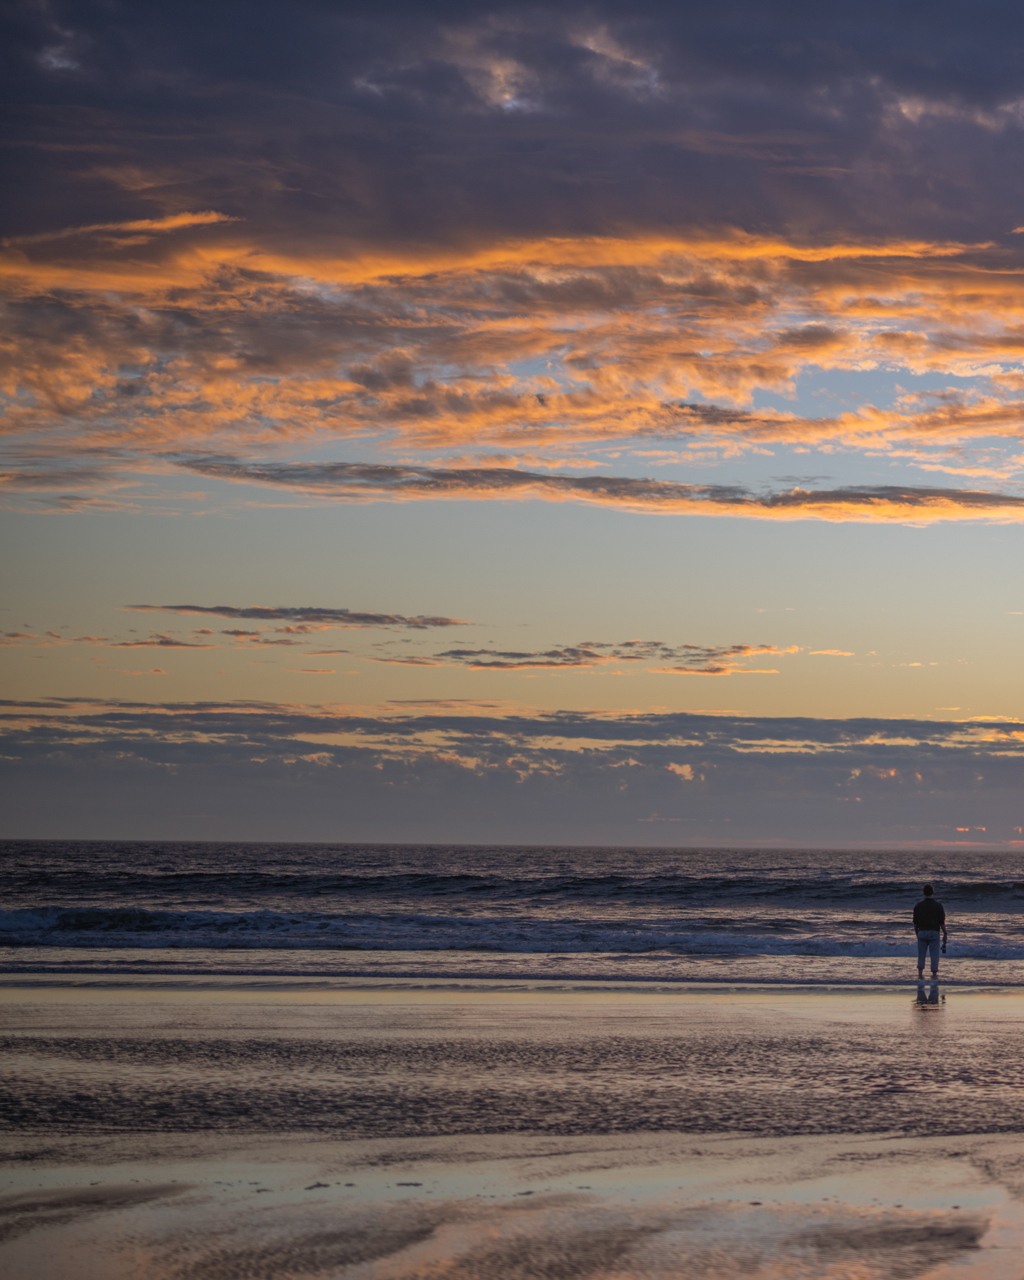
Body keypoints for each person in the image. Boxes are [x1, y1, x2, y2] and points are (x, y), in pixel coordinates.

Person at [913, 883, 947, 980]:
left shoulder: (918, 906)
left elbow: (915, 923)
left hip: (922, 931)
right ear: (933, 892)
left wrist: (917, 933)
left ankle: (920, 975)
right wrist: (945, 933)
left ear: (923, 893)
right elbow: (941, 922)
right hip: (934, 932)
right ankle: (934, 975)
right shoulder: (938, 906)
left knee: (921, 955)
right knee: (934, 955)